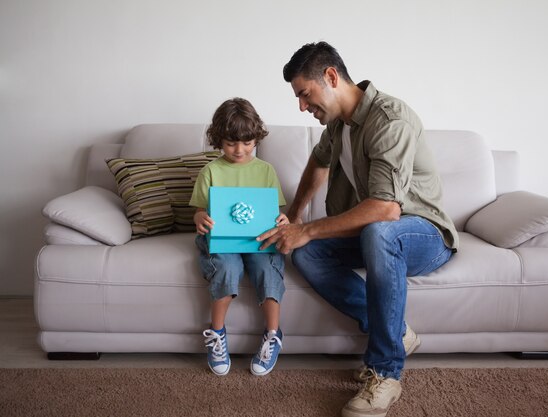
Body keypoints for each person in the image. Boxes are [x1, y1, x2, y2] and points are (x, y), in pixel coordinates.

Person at [258, 42, 459, 417]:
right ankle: (396, 330)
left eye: (305, 94)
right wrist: (298, 218)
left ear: (331, 77)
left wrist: (311, 228)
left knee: (379, 231)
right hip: (374, 232)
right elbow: (318, 163)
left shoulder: (390, 120)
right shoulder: (338, 124)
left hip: (423, 234)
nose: (302, 106)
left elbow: (386, 210)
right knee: (304, 250)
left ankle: (386, 373)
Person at [190, 97, 289, 377]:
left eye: (247, 143)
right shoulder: (211, 171)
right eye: (232, 142)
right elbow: (198, 211)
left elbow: (275, 212)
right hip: (222, 238)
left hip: (258, 239)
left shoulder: (265, 170)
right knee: (226, 266)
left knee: (268, 268)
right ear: (218, 139)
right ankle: (217, 333)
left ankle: (273, 334)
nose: (240, 150)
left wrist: (283, 220)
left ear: (256, 139)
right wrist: (200, 218)